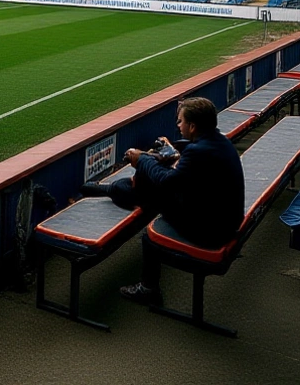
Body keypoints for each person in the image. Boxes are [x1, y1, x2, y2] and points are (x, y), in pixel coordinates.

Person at [81, 97, 243, 304]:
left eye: (181, 121)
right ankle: (114, 189)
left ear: (192, 126)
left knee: (151, 214)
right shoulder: (220, 142)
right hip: (224, 220)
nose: (178, 125)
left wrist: (143, 159)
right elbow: (186, 175)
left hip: (211, 232)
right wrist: (168, 157)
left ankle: (149, 289)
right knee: (152, 188)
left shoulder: (197, 151)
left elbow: (167, 182)